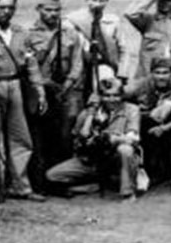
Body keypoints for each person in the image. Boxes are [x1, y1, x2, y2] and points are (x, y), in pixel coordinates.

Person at [0, 0, 46, 202]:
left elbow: (31, 64)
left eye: (10, 8)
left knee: (20, 138)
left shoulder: (20, 32)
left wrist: (39, 91)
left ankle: (20, 186)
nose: (6, 12)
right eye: (1, 8)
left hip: (15, 85)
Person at [45, 67, 141, 201]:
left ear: (122, 96)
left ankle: (127, 193)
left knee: (125, 149)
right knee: (52, 175)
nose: (111, 99)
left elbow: (133, 138)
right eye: (107, 96)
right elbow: (78, 139)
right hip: (92, 159)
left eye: (116, 95)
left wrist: (112, 138)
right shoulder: (87, 114)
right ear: (100, 97)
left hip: (115, 158)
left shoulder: (131, 110)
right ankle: (95, 184)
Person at [28, 0, 86, 177]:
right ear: (39, 10)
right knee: (39, 136)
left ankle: (59, 177)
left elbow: (78, 61)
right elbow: (28, 65)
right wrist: (43, 84)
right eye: (48, 10)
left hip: (64, 91)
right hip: (40, 91)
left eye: (56, 10)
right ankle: (38, 178)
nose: (53, 14)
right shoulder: (28, 34)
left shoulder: (70, 34)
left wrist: (68, 83)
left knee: (64, 135)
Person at [128, 58, 171, 197]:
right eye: (157, 73)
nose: (161, 76)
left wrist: (165, 128)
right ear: (151, 73)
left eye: (165, 73)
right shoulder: (141, 85)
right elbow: (117, 94)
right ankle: (140, 175)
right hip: (147, 124)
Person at [66, 0, 132, 92]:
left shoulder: (113, 21)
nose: (97, 4)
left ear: (107, 1)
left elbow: (123, 49)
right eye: (94, 0)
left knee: (106, 92)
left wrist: (122, 73)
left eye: (102, 1)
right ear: (87, 0)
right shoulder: (73, 20)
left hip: (104, 65)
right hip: (79, 67)